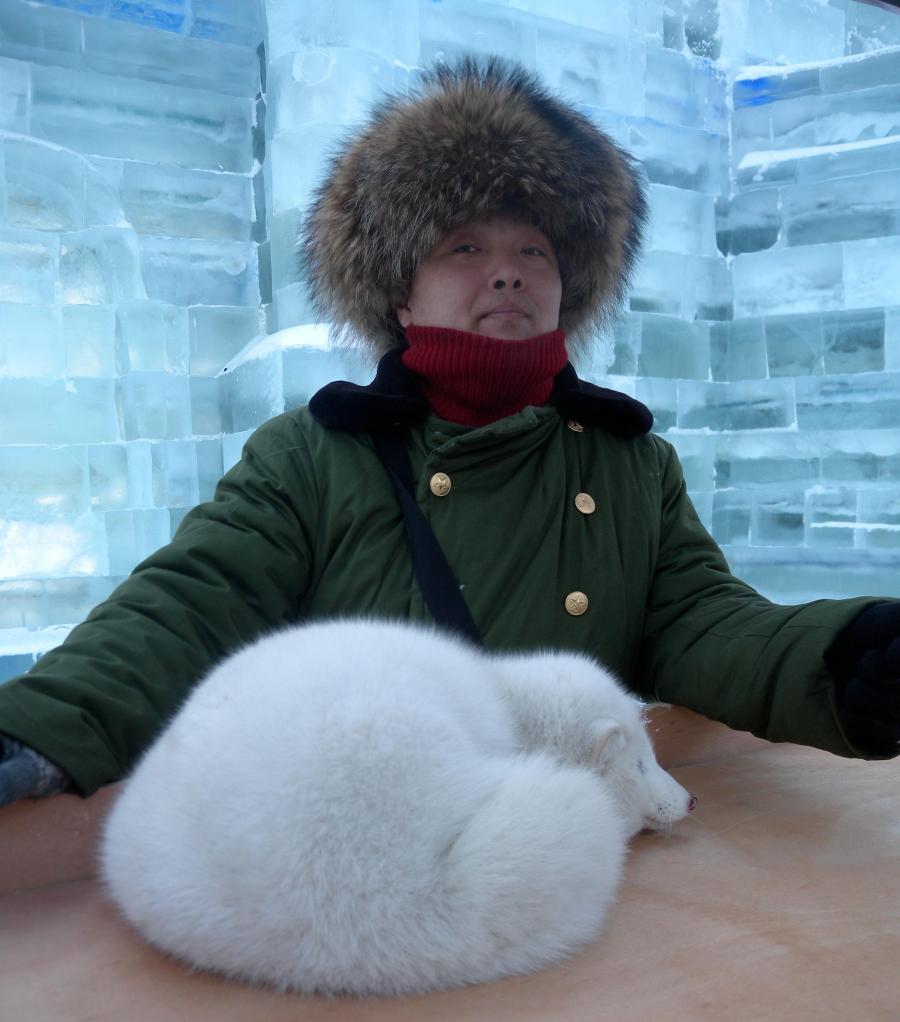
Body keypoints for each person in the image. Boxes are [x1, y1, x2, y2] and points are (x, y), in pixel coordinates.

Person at [0, 56, 897, 809]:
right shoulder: (313, 456)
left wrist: (841, 658)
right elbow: (195, 603)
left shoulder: (629, 466)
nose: (507, 273)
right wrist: (42, 727)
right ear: (400, 291)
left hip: (575, 854)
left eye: (534, 251)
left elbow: (702, 623)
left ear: (566, 288)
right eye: (464, 248)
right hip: (366, 853)